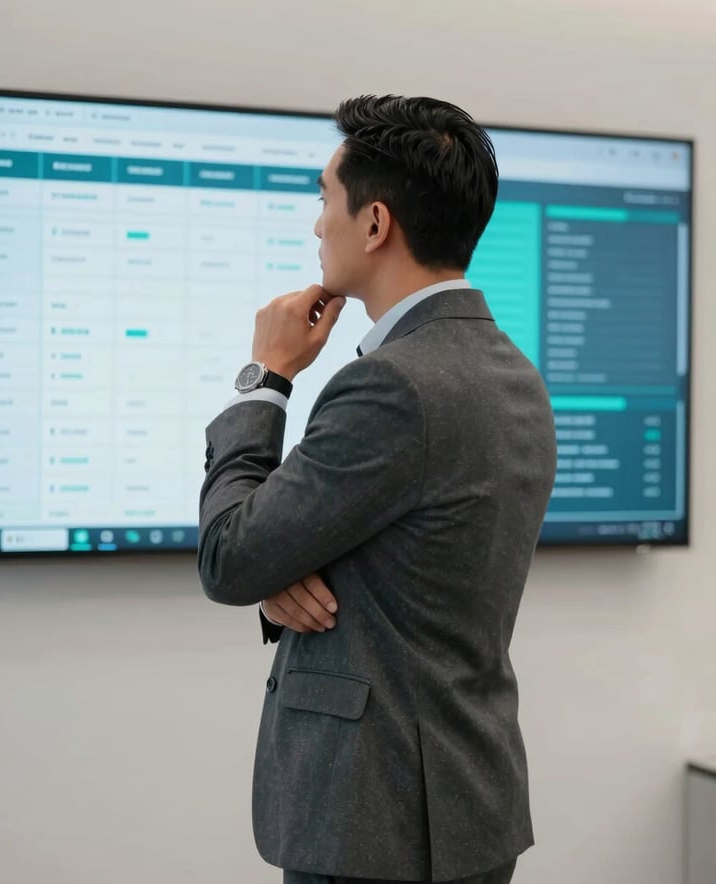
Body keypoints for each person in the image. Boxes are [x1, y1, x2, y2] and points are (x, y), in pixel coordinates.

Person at [198, 94, 557, 884]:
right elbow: (413, 570)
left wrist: (267, 379)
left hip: (376, 821)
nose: (317, 224)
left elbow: (228, 554)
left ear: (375, 224)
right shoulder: (513, 374)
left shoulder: (392, 386)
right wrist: (277, 571)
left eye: (325, 199)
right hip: (465, 807)